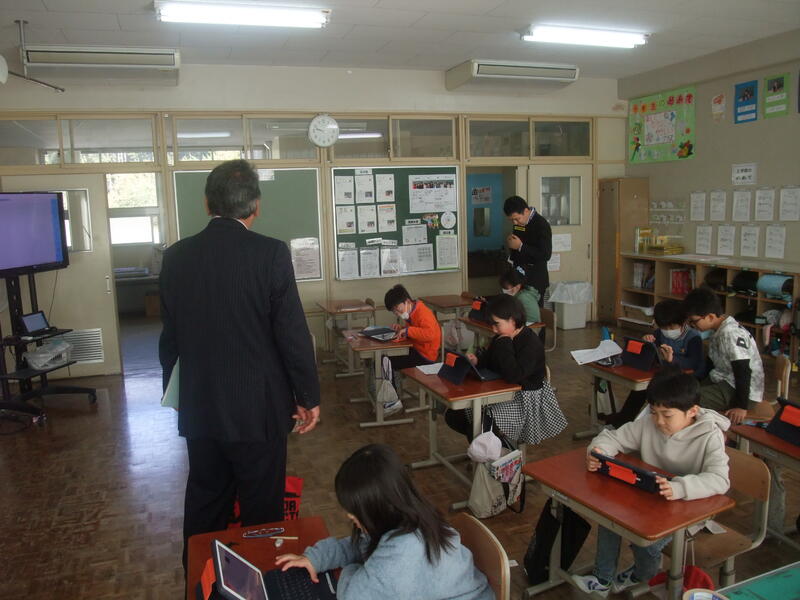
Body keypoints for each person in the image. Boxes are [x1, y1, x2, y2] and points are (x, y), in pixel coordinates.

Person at [159, 159, 320, 569]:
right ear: (256, 206)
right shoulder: (270, 253)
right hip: (258, 411)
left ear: (207, 203)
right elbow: (292, 334)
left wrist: (176, 395)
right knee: (261, 509)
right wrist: (307, 396)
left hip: (201, 406)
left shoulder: (176, 257)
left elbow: (170, 338)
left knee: (205, 501)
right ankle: (258, 581)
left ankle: (199, 581)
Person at [573, 367, 731, 597]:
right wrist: (598, 452)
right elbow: (612, 437)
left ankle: (643, 575)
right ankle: (602, 578)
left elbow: (719, 479)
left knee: (647, 543)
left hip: (688, 508)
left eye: (667, 415)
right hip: (650, 498)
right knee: (609, 517)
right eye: (654, 412)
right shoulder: (649, 423)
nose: (659, 421)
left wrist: (680, 487)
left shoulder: (710, 436)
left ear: (692, 411)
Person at [275, 444, 493, 600]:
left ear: (378, 508)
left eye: (355, 513)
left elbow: (353, 596)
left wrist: (357, 569)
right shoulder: (407, 516)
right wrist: (315, 558)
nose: (349, 516)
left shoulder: (402, 553)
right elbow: (358, 545)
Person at [444, 295, 566, 446]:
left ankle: (500, 451)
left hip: (525, 399)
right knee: (455, 415)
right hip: (502, 391)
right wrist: (477, 361)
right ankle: (492, 448)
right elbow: (489, 361)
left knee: (483, 425)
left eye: (497, 324)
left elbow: (513, 375)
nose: (493, 329)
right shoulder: (501, 337)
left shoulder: (530, 343)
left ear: (513, 321)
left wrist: (505, 343)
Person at [606, 299, 706, 428]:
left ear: (683, 322)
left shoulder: (693, 337)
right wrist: (646, 342)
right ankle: (622, 422)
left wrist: (672, 359)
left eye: (672, 327)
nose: (668, 331)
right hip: (667, 372)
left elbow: (693, 363)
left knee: (656, 392)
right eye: (664, 328)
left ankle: (639, 423)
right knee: (639, 390)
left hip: (686, 377)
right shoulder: (659, 333)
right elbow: (651, 352)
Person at [683, 286, 764, 425]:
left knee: (685, 401)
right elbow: (711, 362)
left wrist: (741, 406)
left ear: (710, 317)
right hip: (724, 379)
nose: (691, 325)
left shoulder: (731, 333)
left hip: (740, 391)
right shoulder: (718, 329)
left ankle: (708, 433)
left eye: (693, 321)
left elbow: (743, 370)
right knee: (683, 391)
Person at [503, 195, 552, 307]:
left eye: (517, 218)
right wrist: (512, 244)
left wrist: (520, 246)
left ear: (526, 211)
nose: (515, 223)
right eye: (511, 220)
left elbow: (545, 254)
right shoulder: (519, 224)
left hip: (535, 279)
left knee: (532, 312)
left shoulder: (541, 225)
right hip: (519, 276)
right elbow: (518, 243)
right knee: (518, 310)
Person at [383, 284, 441, 371]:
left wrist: (407, 331)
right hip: (416, 349)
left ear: (407, 301)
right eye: (394, 311)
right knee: (385, 358)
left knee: (387, 362)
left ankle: (391, 380)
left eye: (397, 308)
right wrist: (401, 329)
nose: (397, 313)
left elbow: (429, 334)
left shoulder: (423, 313)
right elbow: (416, 331)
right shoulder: (411, 312)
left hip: (425, 356)